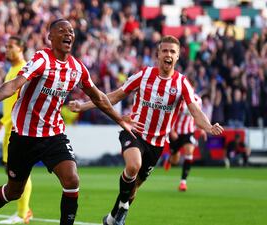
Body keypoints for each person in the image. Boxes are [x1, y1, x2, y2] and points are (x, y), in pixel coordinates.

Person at [0, 19, 139, 225]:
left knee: (72, 179)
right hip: (24, 135)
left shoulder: (77, 68)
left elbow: (99, 97)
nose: (68, 34)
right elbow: (14, 84)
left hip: (53, 134)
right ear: (50, 37)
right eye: (62, 30)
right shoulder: (42, 59)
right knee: (14, 191)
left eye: (71, 31)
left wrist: (120, 119)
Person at [68, 35, 224, 225]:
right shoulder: (143, 76)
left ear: (177, 57)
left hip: (157, 144)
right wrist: (83, 106)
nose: (168, 54)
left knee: (134, 187)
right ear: (158, 54)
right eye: (164, 50)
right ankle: (123, 208)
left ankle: (111, 218)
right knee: (133, 165)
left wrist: (208, 126)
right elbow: (115, 96)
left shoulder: (182, 83)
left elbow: (195, 111)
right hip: (134, 131)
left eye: (172, 52)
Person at [0, 36, 33, 224]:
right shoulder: (12, 70)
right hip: (10, 127)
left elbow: (18, 102)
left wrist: (2, 122)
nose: (7, 50)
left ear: (21, 48)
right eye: (5, 47)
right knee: (12, 172)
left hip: (18, 128)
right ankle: (23, 212)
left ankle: (23, 214)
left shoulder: (23, 70)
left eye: (11, 46)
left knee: (20, 173)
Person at [163, 91, 207, 192]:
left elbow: (198, 115)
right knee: (175, 160)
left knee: (189, 152)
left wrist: (202, 129)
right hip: (176, 133)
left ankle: (183, 182)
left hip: (189, 132)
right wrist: (172, 130)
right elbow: (170, 114)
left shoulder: (197, 100)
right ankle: (170, 160)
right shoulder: (178, 99)